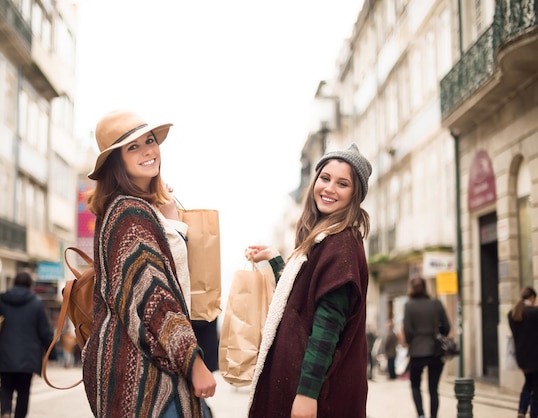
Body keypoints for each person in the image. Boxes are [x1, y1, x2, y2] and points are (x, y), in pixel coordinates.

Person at [82, 109, 216, 418]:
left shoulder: (129, 210)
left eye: (150, 141)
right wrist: (194, 363)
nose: (148, 151)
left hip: (136, 367)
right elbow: (156, 298)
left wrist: (169, 220)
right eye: (133, 147)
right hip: (143, 375)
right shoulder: (130, 213)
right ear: (117, 161)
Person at [245, 143, 372, 418]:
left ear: (355, 194)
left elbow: (326, 328)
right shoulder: (324, 239)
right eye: (325, 178)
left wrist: (306, 395)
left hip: (315, 394)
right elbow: (302, 301)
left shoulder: (341, 245)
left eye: (342, 184)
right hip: (296, 385)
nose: (329, 189)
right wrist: (277, 261)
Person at [0, 272, 54, 418]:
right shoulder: (36, 303)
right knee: (23, 391)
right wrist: (51, 352)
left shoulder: (3, 300)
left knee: (5, 387)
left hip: (5, 353)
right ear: (30, 285)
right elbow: (45, 332)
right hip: (28, 357)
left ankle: (5, 413)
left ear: (14, 283)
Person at [402, 277, 451, 418]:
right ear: (425, 287)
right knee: (433, 388)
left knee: (415, 385)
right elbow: (447, 327)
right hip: (435, 350)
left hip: (417, 350)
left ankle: (421, 415)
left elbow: (408, 331)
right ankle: (433, 416)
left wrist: (413, 341)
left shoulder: (409, 305)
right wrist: (438, 334)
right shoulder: (436, 303)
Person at [508, 286, 538, 418]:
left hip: (522, 357)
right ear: (532, 298)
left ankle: (521, 410)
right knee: (536, 387)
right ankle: (534, 413)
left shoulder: (513, 313)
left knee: (529, 383)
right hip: (535, 357)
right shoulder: (534, 313)